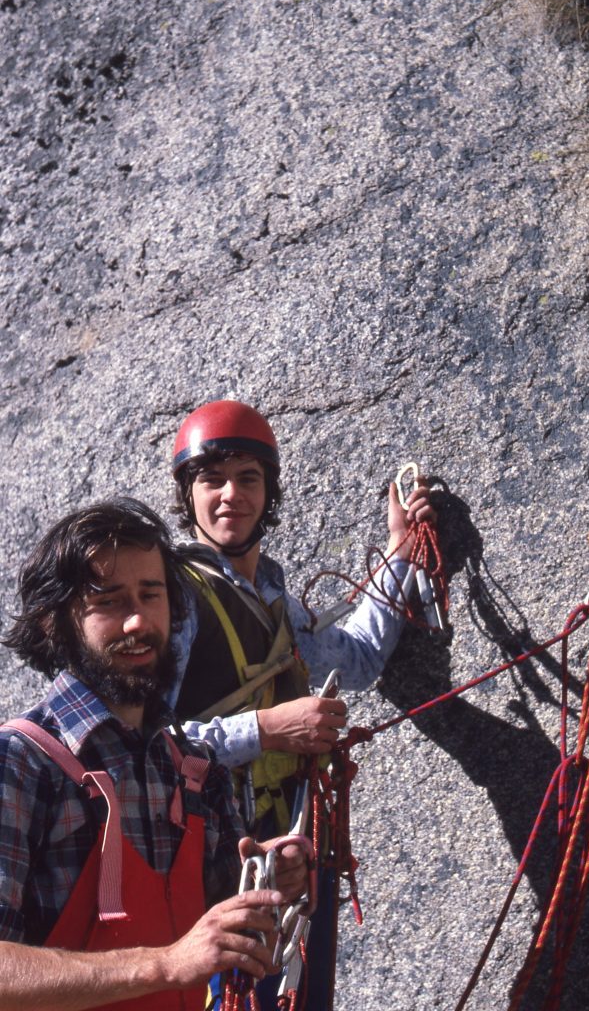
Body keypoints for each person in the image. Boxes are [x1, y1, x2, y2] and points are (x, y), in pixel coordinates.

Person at [168, 401, 435, 1009]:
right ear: (189, 495)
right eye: (212, 480)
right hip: (216, 861)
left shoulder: (273, 598)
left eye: (248, 478)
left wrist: (400, 552)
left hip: (290, 845)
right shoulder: (176, 599)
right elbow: (151, 743)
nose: (231, 495)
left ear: (269, 492)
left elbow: (356, 658)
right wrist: (267, 728)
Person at [0, 498, 306, 1011]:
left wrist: (271, 877)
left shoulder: (191, 767)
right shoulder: (20, 763)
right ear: (54, 623)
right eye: (110, 601)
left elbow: (226, 930)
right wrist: (166, 964)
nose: (138, 620)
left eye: (151, 594)